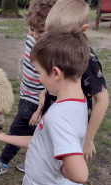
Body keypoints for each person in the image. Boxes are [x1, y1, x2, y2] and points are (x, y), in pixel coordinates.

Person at [0, 27, 90, 185]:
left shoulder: (58, 117)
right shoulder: (77, 103)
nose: (38, 78)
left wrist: (65, 169)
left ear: (55, 73)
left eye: (39, 72)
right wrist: (4, 137)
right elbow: (42, 142)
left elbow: (79, 174)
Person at [0, 0, 57, 177]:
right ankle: (36, 161)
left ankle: (3, 161)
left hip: (38, 99)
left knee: (18, 130)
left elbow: (52, 84)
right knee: (34, 130)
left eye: (39, 31)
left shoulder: (54, 50)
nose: (32, 34)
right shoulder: (34, 34)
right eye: (30, 29)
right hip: (26, 94)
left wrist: (39, 108)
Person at [30, 0, 109, 163]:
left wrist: (88, 140)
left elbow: (102, 100)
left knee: (63, 167)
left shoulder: (88, 61)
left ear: (83, 30)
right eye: (51, 34)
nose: (54, 41)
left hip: (70, 125)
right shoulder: (58, 51)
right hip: (53, 114)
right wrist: (44, 94)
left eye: (60, 36)